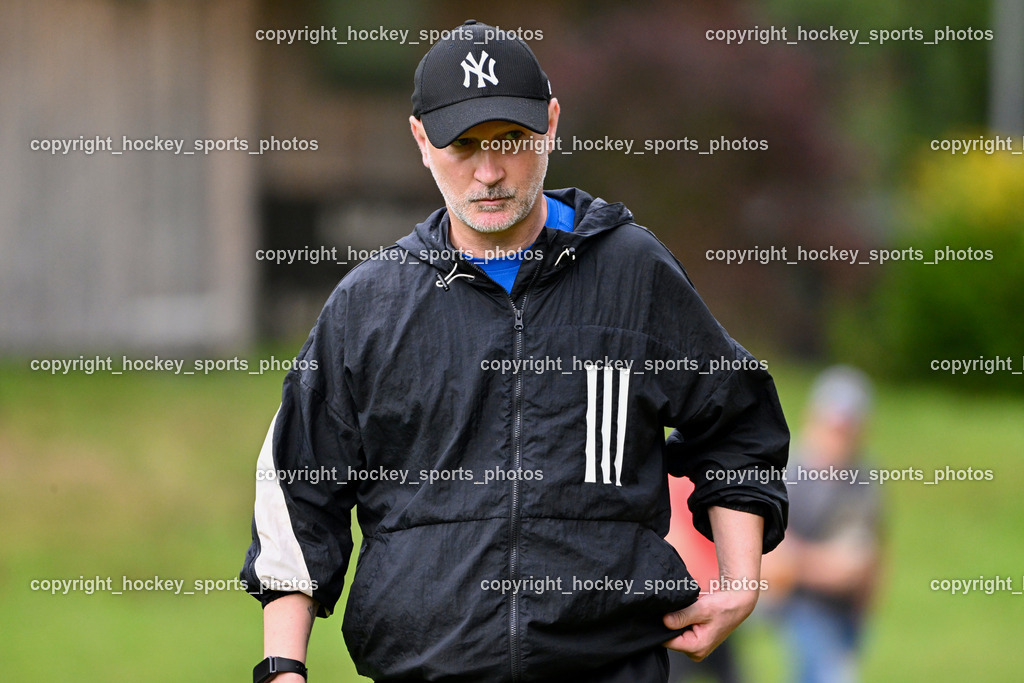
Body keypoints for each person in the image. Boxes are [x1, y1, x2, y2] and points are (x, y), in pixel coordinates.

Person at [241, 20, 789, 683]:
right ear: (420, 138)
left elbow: (734, 419)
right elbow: (299, 488)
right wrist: (282, 668)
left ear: (551, 123)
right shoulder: (369, 306)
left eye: (511, 140)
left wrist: (740, 580)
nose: (490, 171)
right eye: (463, 145)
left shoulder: (633, 274)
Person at [762, 366, 883, 683]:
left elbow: (862, 566)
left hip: (844, 614)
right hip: (791, 605)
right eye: (831, 426)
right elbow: (773, 566)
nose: (837, 437)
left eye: (846, 429)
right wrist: (827, 563)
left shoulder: (864, 483)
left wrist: (800, 558)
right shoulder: (787, 474)